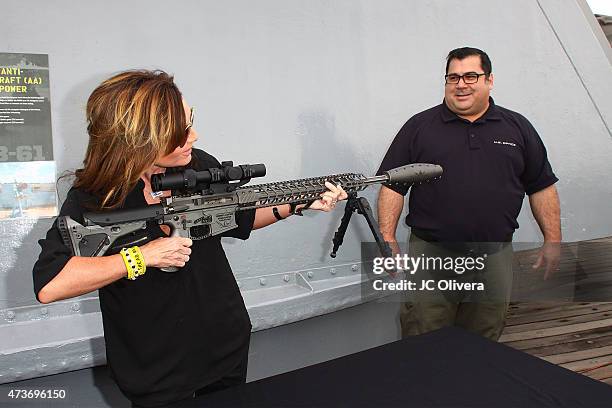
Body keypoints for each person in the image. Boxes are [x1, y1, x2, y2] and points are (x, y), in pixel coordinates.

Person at [32, 70, 347, 407]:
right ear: (139, 138)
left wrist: (298, 203)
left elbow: (241, 215)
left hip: (225, 347)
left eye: (190, 121)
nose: (193, 136)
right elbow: (51, 284)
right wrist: (142, 257)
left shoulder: (197, 166)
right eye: (179, 133)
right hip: (155, 371)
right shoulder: (95, 196)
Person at [376, 47, 561, 341]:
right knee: (423, 335)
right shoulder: (419, 127)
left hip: (494, 256)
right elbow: (392, 186)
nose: (461, 84)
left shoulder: (518, 128)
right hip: (433, 256)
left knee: (484, 337)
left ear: (489, 80)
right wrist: (387, 238)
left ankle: (472, 386)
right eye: (453, 77)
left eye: (470, 76)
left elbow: (541, 186)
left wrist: (553, 240)